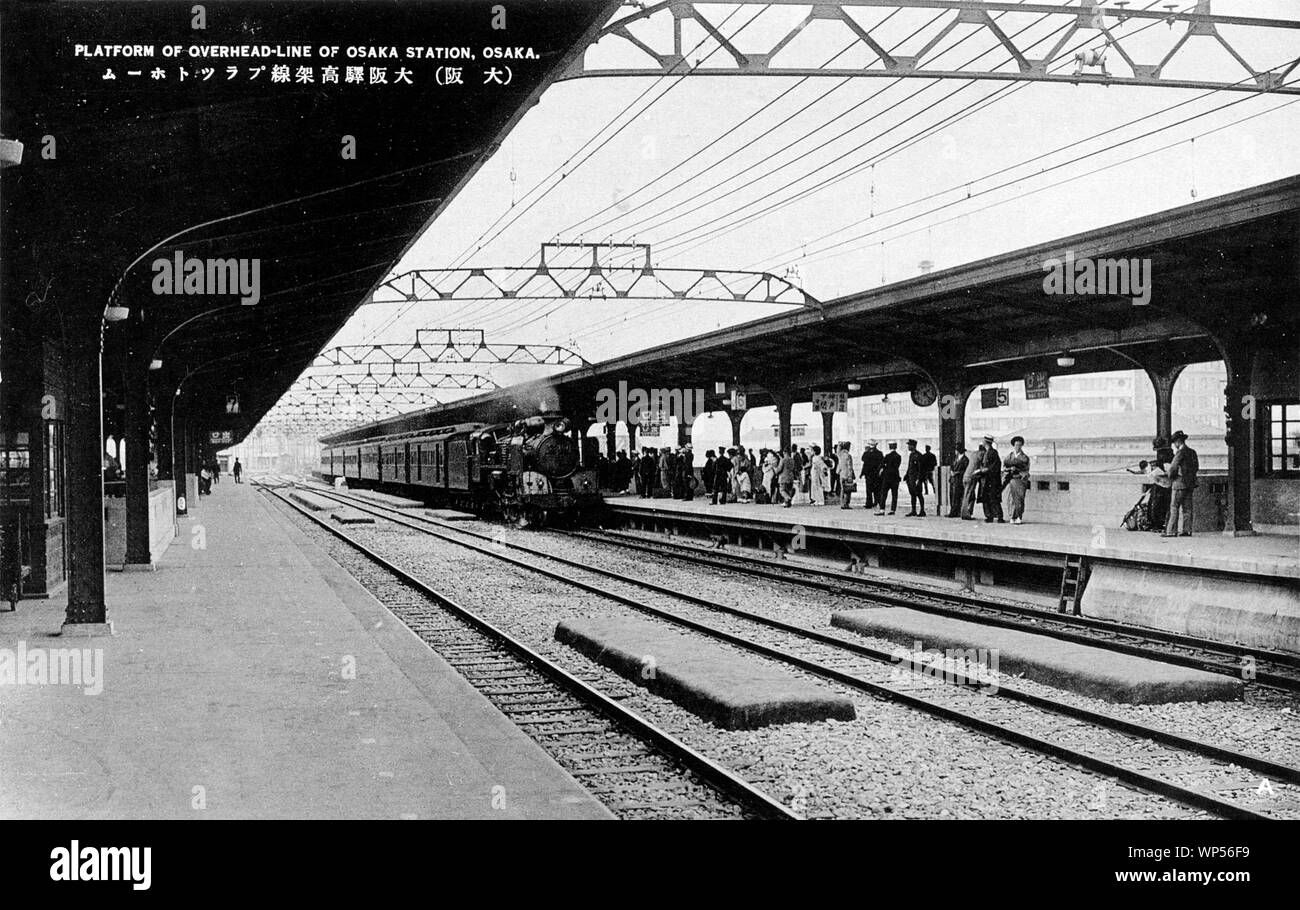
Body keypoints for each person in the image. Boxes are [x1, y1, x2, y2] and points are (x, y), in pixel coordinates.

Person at [1162, 430, 1199, 537]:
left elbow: (1173, 469)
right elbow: (1196, 467)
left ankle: (1171, 531)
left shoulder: (1180, 453)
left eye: (1174, 443)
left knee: (1174, 507)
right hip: (1190, 484)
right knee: (1187, 509)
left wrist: (1168, 474)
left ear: (1178, 442)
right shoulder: (1192, 452)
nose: (1174, 445)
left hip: (1179, 484)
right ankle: (1187, 530)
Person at [1146, 437, 1173, 531]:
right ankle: (1158, 523)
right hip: (1164, 483)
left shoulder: (1163, 454)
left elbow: (1167, 468)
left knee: (1157, 504)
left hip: (1162, 483)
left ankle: (1156, 524)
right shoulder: (1169, 453)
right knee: (1160, 505)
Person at [1003, 436, 1031, 524]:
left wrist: (1019, 470)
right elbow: (1004, 467)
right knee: (1011, 499)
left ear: (1021, 446)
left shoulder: (1025, 457)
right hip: (1012, 479)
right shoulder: (1009, 456)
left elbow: (1026, 469)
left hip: (1020, 480)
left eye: (1019, 445)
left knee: (1020, 498)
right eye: (1016, 445)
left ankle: (1019, 516)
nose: (1017, 447)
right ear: (1013, 446)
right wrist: (1009, 469)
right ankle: (1012, 516)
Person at [981, 436, 1004, 523]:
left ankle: (999, 516)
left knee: (994, 498)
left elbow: (996, 465)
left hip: (992, 480)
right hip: (987, 479)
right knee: (986, 498)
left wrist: (986, 470)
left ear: (986, 442)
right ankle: (989, 516)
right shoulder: (987, 452)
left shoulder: (993, 452)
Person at [961, 443, 984, 520]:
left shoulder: (974, 453)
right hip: (972, 477)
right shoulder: (982, 454)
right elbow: (982, 465)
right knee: (969, 495)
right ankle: (966, 514)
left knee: (968, 495)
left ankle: (968, 512)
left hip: (966, 476)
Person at [903, 439, 926, 517]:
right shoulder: (911, 455)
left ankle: (922, 510)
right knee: (913, 494)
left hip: (916, 479)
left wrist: (918, 479)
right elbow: (910, 467)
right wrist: (906, 475)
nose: (908, 447)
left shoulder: (918, 455)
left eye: (909, 445)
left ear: (913, 446)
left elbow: (920, 469)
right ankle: (913, 510)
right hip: (911, 479)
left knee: (919, 494)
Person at [878, 442, 901, 515]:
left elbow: (882, 465)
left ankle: (882, 509)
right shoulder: (898, 456)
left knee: (884, 493)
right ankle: (893, 510)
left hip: (887, 477)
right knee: (894, 494)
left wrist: (884, 468)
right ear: (896, 447)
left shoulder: (887, 456)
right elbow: (897, 466)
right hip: (895, 477)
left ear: (889, 447)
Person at [861, 440, 883, 512]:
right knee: (877, 489)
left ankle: (869, 503)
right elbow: (881, 463)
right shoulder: (879, 453)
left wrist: (862, 473)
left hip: (869, 474)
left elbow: (863, 461)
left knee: (869, 489)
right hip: (876, 474)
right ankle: (877, 502)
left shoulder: (867, 453)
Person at [947, 446, 969, 517]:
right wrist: (951, 471)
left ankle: (954, 512)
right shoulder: (956, 458)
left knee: (956, 496)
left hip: (959, 480)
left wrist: (957, 472)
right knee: (952, 495)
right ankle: (952, 511)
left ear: (958, 451)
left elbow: (966, 470)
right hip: (953, 479)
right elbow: (952, 466)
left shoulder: (965, 459)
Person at [837, 442, 856, 509]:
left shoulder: (840, 455)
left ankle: (842, 503)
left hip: (841, 474)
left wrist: (839, 444)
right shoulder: (848, 456)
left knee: (842, 489)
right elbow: (849, 467)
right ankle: (846, 504)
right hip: (847, 474)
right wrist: (850, 476)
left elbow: (838, 450)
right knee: (848, 490)